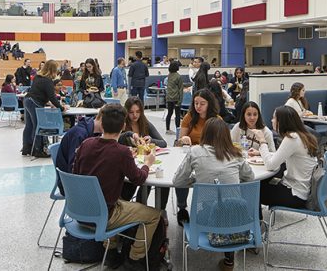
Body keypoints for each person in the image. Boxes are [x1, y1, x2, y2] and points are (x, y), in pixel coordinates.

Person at [72, 104, 159, 270]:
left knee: (114, 201)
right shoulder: (121, 152)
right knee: (154, 215)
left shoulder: (86, 144)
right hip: (105, 215)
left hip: (79, 211)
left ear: (101, 124)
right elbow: (139, 179)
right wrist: (147, 163)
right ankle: (135, 259)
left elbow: (75, 173)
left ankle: (111, 253)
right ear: (123, 126)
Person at [174, 117, 254, 271]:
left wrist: (197, 180)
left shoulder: (196, 151)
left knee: (213, 207)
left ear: (205, 133)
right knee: (227, 206)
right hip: (237, 219)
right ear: (226, 135)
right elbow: (249, 178)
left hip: (205, 219)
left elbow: (178, 181)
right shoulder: (236, 154)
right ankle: (229, 259)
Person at [249, 106, 317, 210]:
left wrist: (262, 141)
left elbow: (270, 165)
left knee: (253, 189)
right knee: (262, 182)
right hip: (303, 189)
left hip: (296, 195)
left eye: (274, 118)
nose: (272, 120)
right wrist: (260, 152)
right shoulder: (301, 135)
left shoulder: (292, 138)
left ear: (281, 121)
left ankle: (257, 224)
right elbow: (281, 156)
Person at [175, 89, 220, 224]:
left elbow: (222, 144)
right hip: (190, 155)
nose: (198, 107)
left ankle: (207, 206)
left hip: (210, 158)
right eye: (195, 103)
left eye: (202, 103)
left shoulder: (216, 120)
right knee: (182, 175)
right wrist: (183, 139)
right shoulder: (189, 117)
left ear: (209, 104)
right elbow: (178, 141)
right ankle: (182, 207)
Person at [22, 59, 66, 158]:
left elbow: (39, 92)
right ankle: (37, 150)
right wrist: (61, 108)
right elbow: (52, 96)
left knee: (29, 126)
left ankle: (27, 148)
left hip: (28, 100)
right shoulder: (48, 81)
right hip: (35, 102)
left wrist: (49, 103)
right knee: (38, 126)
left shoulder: (38, 77)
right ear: (52, 70)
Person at [164, 60, 184, 134]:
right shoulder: (178, 76)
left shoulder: (169, 76)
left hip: (169, 98)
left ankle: (168, 129)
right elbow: (180, 89)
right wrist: (180, 100)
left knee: (169, 113)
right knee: (177, 114)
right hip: (176, 98)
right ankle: (178, 130)